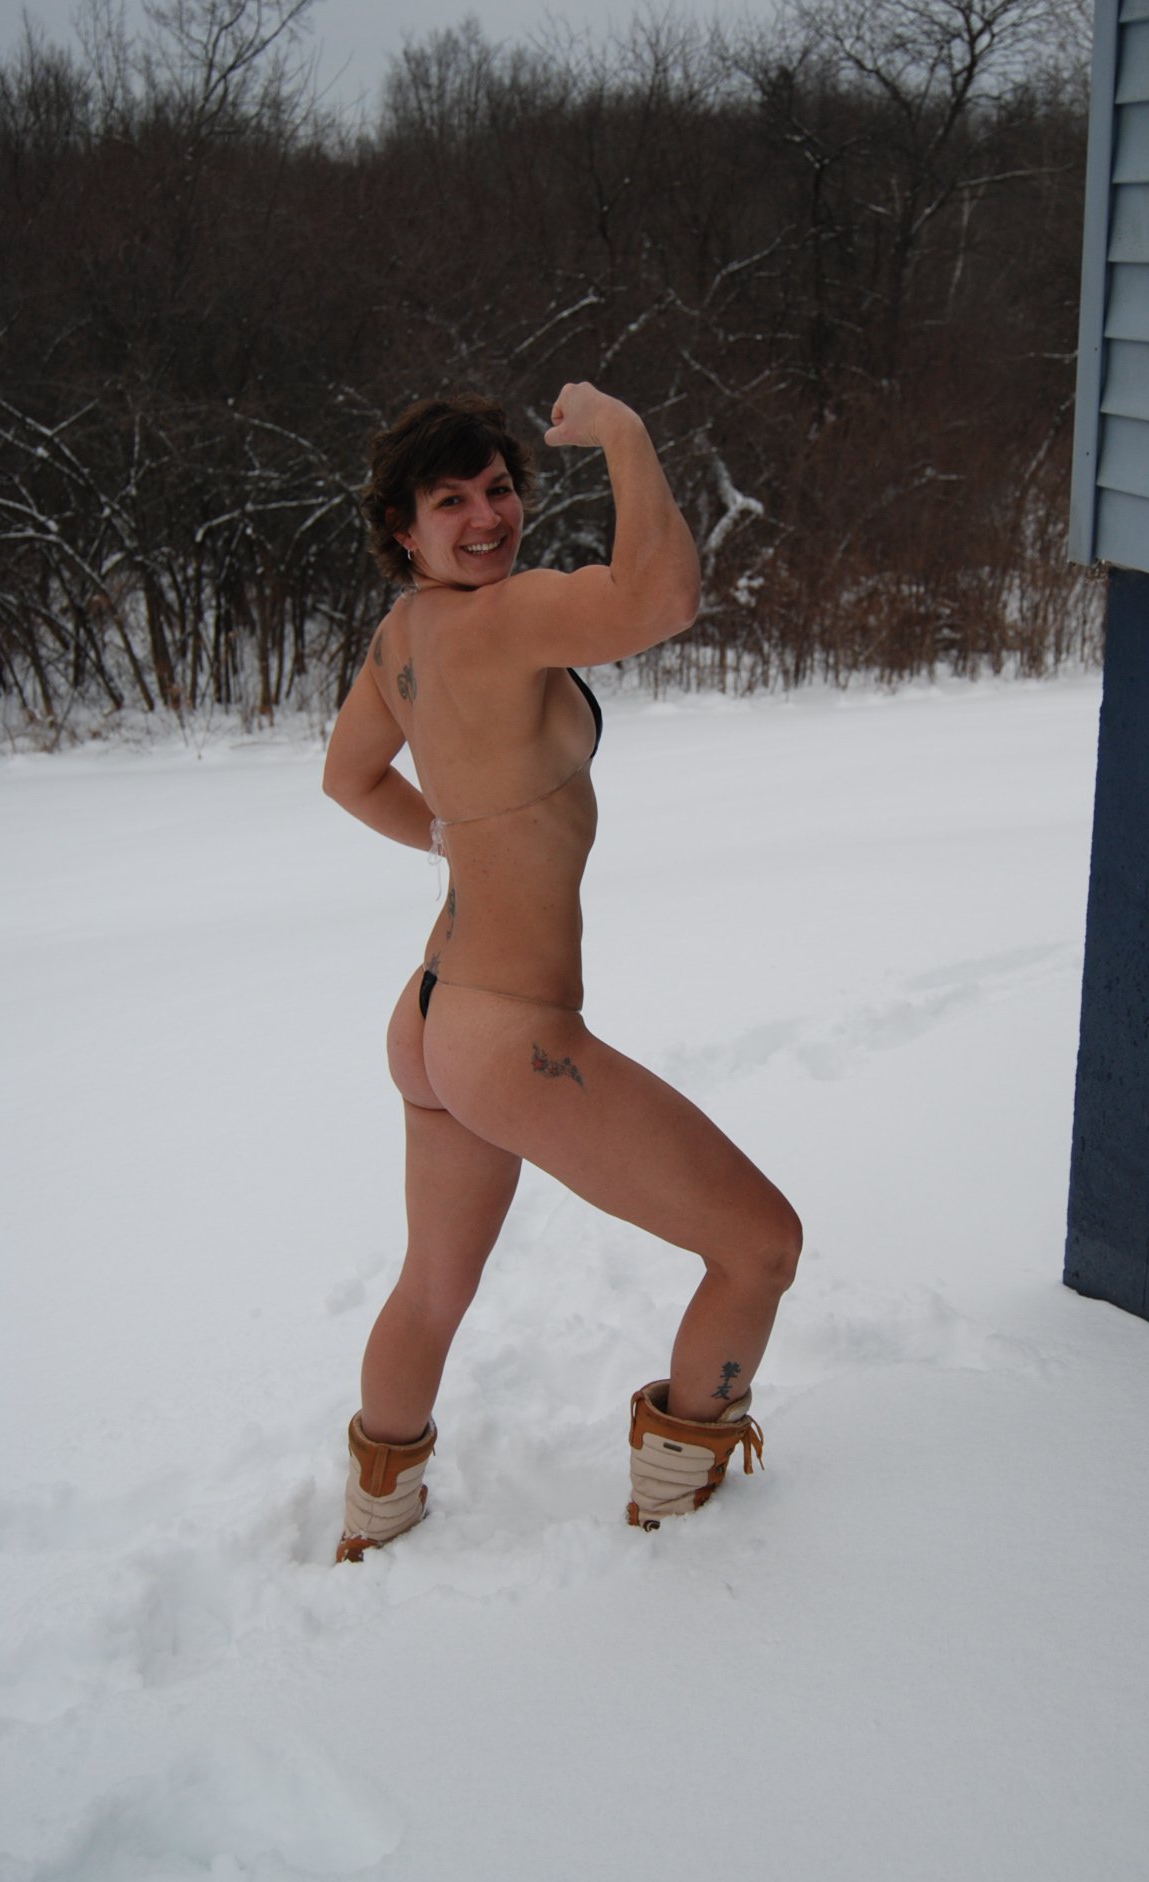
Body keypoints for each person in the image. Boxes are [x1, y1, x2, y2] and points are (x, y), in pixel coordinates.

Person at [322, 381, 800, 1560]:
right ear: (403, 529)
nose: (487, 516)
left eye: (498, 489)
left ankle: (375, 1519)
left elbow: (350, 776)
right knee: (760, 1246)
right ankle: (682, 1507)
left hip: (433, 1014)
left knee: (431, 1288)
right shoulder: (502, 617)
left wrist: (452, 836)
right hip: (507, 1036)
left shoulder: (405, 637)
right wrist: (626, 436)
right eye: (450, 502)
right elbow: (661, 597)